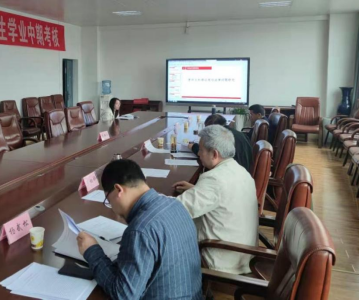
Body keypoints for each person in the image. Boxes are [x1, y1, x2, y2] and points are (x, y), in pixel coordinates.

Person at [77, 159, 202, 300]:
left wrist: (92, 251)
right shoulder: (176, 205)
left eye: (109, 200)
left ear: (118, 190)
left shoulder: (139, 231)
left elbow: (123, 295)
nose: (112, 207)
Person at [174, 125, 258, 275]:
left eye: (201, 150)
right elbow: (223, 195)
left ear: (214, 153)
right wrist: (196, 189)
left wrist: (146, 196)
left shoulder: (214, 180)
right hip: (244, 253)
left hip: (223, 259)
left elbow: (177, 209)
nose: (198, 153)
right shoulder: (240, 171)